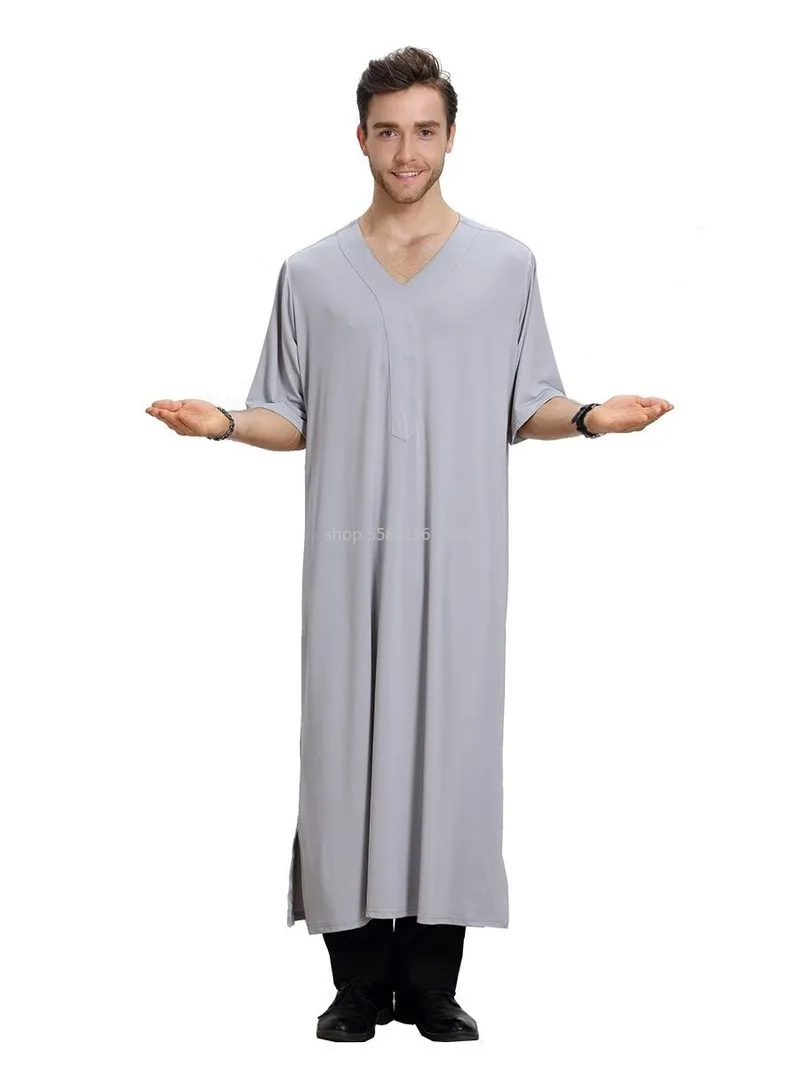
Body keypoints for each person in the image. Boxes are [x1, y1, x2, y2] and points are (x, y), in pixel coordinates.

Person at [146, 45, 673, 1043]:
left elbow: (527, 400)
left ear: (450, 137)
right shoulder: (311, 274)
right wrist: (221, 423)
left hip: (461, 557)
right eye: (386, 131)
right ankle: (355, 983)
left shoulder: (505, 266)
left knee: (449, 747)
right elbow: (287, 411)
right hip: (348, 560)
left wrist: (591, 416)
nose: (405, 152)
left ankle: (431, 983)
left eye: (424, 130)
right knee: (345, 750)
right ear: (360, 137)